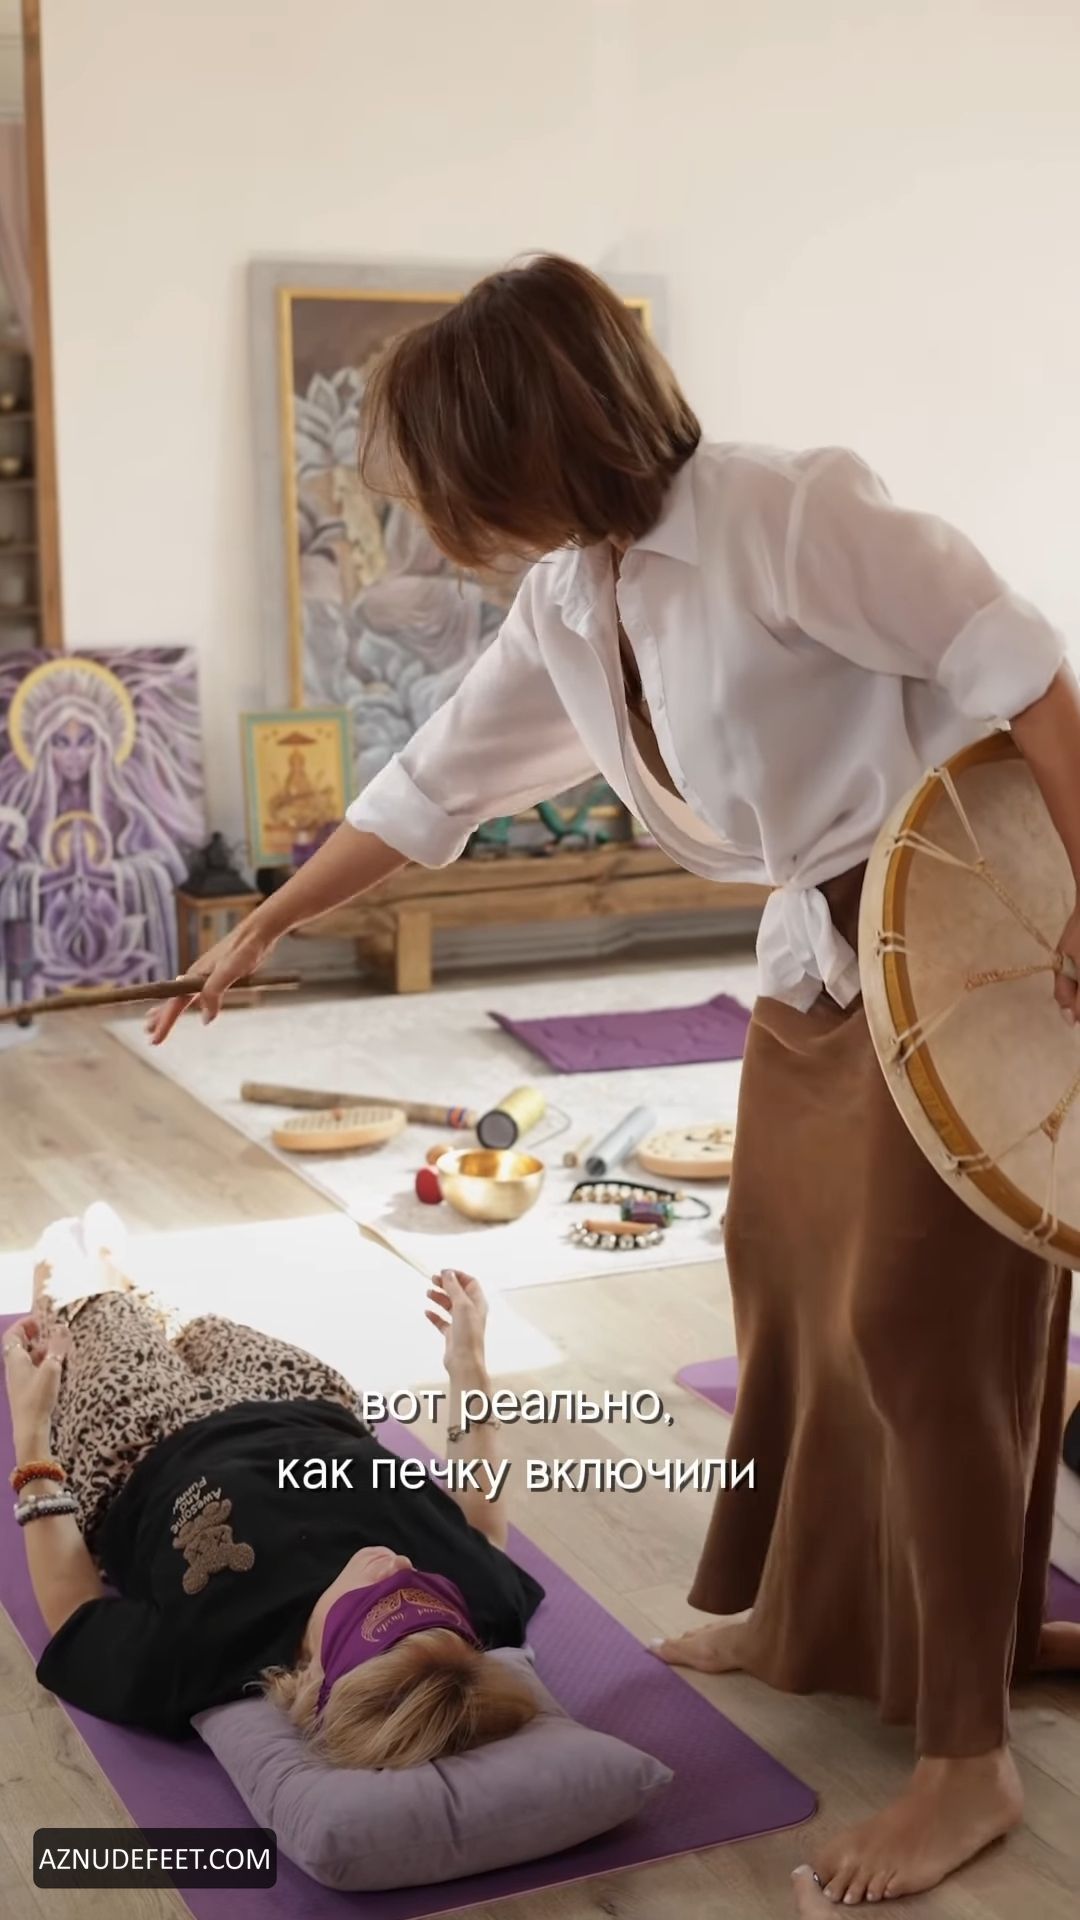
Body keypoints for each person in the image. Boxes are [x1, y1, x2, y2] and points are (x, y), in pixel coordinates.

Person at [147, 254, 1080, 1907]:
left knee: (920, 1328)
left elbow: (1021, 661)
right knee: (781, 1275)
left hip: (955, 927)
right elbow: (438, 781)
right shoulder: (577, 596)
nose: (430, 514)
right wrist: (271, 922)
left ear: (531, 433)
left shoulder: (790, 512)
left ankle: (966, 1757)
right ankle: (811, 1615)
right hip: (821, 950)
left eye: (444, 472)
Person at [4, 1208, 542, 1766]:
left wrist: (32, 1432)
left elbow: (74, 1610)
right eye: (427, 1592)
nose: (398, 1564)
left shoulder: (199, 1658)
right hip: (302, 1396)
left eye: (374, 1600)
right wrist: (468, 1364)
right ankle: (121, 1275)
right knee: (181, 1312)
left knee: (86, 1303)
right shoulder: (474, 1614)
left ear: (317, 1671)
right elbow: (481, 1526)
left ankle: (79, 1279)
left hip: (136, 1444)